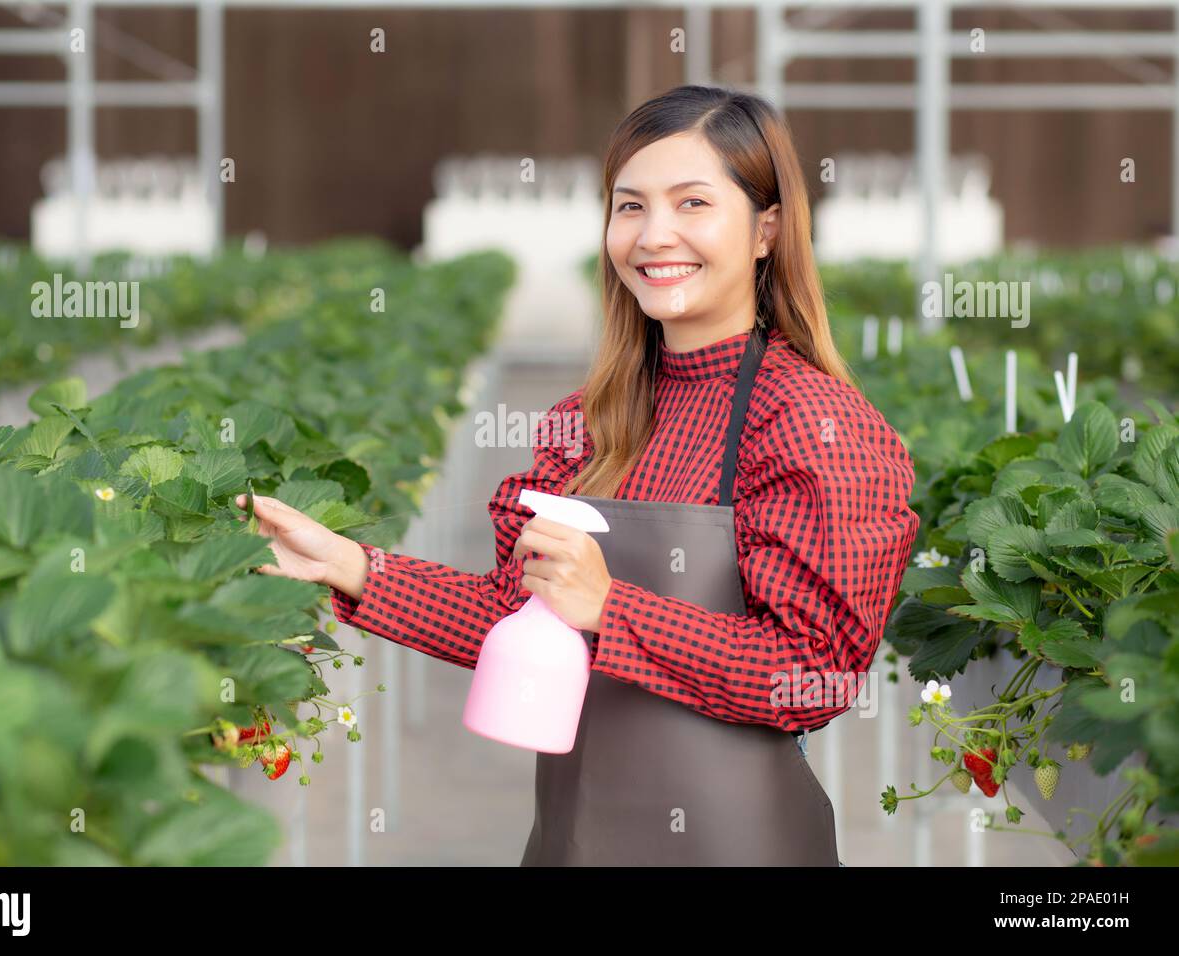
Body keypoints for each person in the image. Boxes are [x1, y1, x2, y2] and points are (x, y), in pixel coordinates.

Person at [237, 84, 919, 866]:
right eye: (629, 207)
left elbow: (815, 674)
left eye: (692, 203)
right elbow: (515, 616)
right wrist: (355, 568)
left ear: (767, 228)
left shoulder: (812, 424)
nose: (654, 235)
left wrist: (611, 607)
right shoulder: (588, 419)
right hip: (573, 841)